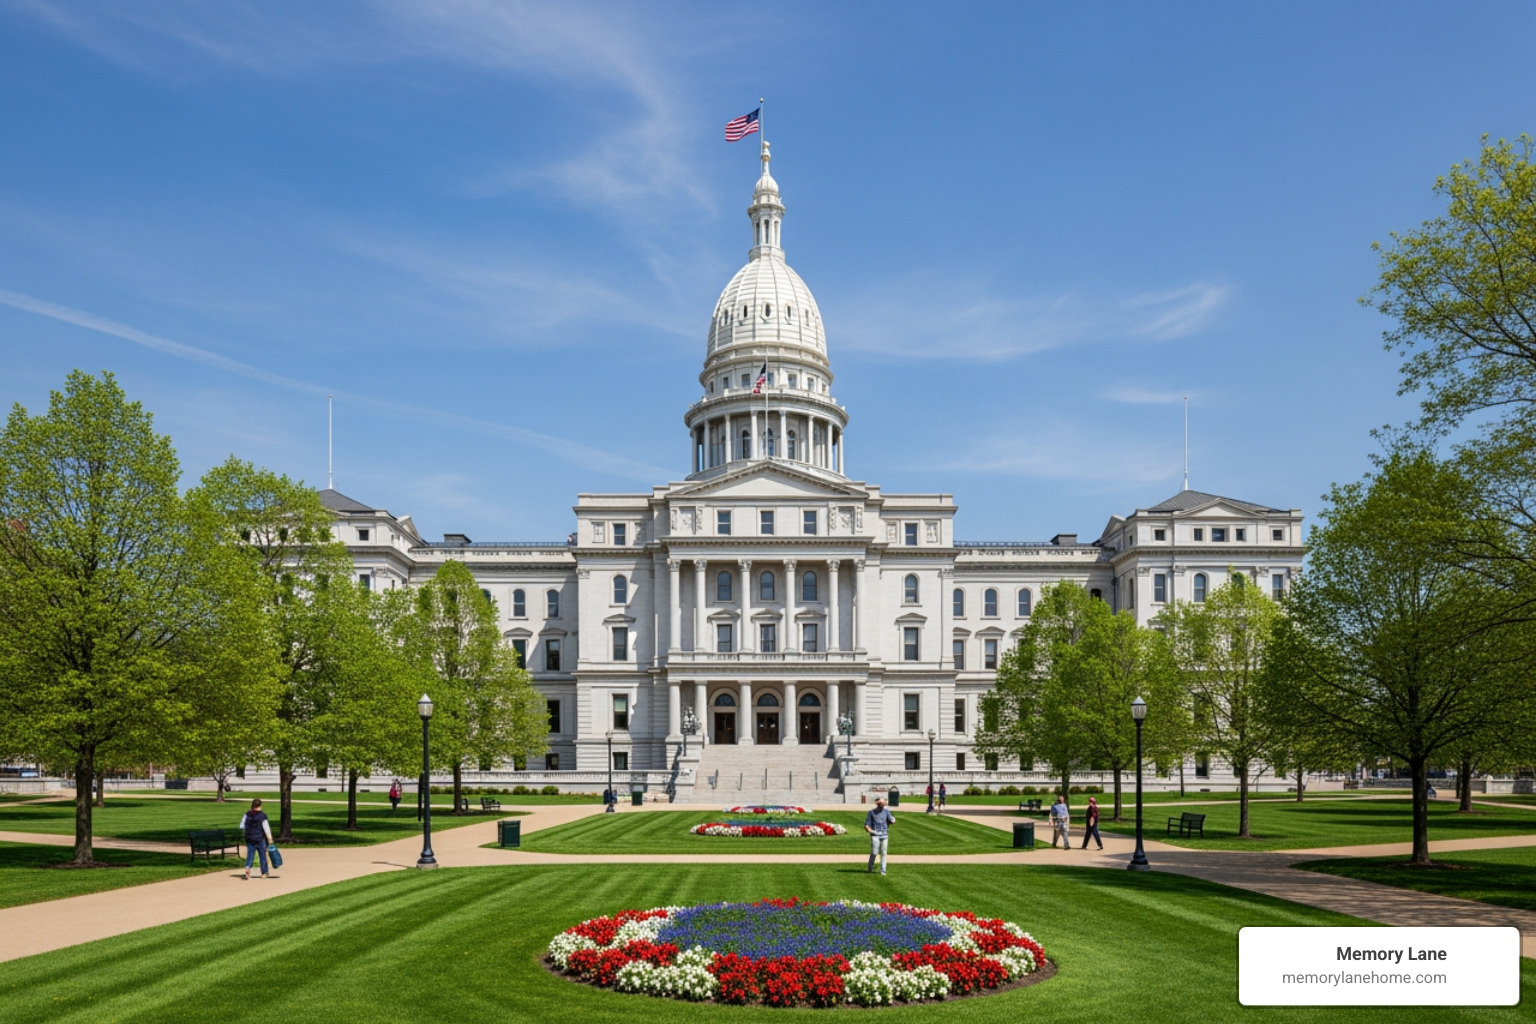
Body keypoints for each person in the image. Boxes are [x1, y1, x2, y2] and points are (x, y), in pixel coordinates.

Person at [240, 798, 274, 879]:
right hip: (259, 838)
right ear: (260, 805)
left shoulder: (247, 814)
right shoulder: (262, 816)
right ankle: (264, 872)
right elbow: (266, 828)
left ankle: (248, 868)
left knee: (250, 855)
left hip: (249, 838)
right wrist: (270, 838)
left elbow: (241, 826)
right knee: (262, 855)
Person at [865, 796, 895, 875]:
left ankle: (883, 870)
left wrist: (892, 820)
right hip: (875, 834)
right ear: (877, 804)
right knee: (874, 852)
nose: (881, 806)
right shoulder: (871, 813)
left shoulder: (886, 811)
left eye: (883, 804)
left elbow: (891, 819)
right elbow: (866, 824)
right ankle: (870, 867)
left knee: (884, 853)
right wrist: (871, 831)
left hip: (884, 834)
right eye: (880, 804)